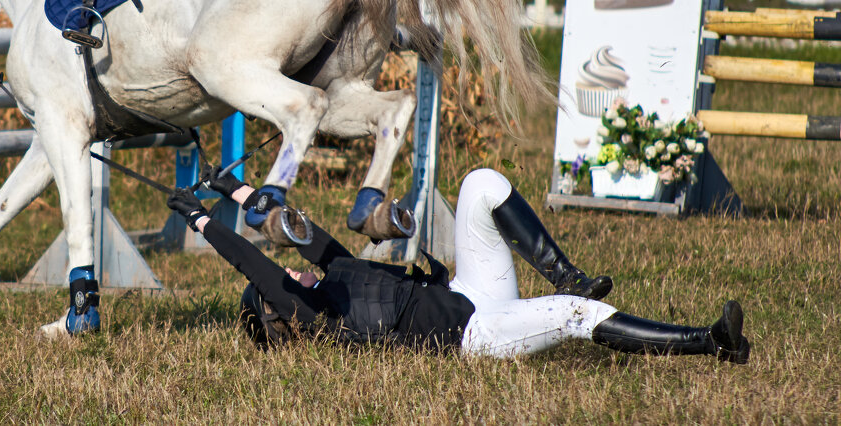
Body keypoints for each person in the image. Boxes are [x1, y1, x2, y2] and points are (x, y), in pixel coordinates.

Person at [167, 168, 750, 363]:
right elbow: (254, 265)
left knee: (480, 183)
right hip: (477, 334)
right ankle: (710, 342)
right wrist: (199, 222)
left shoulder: (335, 274)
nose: (288, 272)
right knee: (577, 316)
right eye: (280, 288)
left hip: (473, 288)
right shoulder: (315, 317)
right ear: (279, 318)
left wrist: (235, 191)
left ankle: (565, 270)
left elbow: (299, 233)